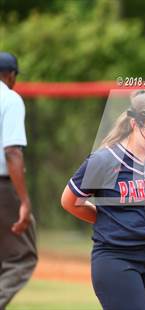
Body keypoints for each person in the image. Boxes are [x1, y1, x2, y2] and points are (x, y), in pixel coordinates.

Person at [61, 90, 145, 310]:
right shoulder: (105, 160)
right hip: (117, 256)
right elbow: (69, 201)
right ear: (135, 123)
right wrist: (105, 219)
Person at [0, 52, 38, 309]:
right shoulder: (9, 98)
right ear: (11, 75)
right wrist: (23, 200)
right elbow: (12, 151)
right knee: (22, 257)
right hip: (2, 189)